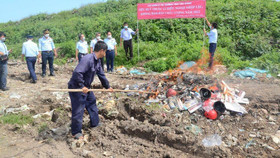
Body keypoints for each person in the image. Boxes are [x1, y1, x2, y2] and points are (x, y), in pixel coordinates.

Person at [68, 41, 113, 139]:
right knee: (79, 108)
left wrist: (107, 86)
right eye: (105, 51)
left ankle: (95, 123)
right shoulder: (87, 59)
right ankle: (76, 132)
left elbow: (101, 74)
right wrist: (81, 86)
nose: (105, 54)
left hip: (86, 87)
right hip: (77, 87)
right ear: (101, 51)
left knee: (92, 102)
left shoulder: (98, 61)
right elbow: (77, 72)